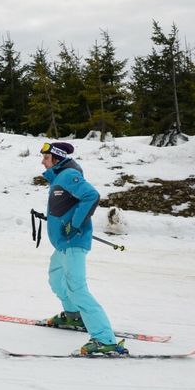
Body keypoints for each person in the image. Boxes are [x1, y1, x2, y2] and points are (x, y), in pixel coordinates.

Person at [39, 141, 128, 356]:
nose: (42, 162)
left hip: (73, 243)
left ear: (57, 159)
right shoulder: (59, 177)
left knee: (77, 288)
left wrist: (75, 223)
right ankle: (73, 315)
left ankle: (104, 339)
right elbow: (69, 204)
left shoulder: (68, 175)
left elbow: (91, 196)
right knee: (55, 277)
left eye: (46, 157)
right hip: (63, 244)